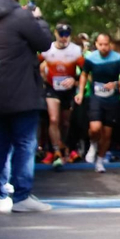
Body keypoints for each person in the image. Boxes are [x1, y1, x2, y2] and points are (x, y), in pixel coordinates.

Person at [0, 0, 54, 213]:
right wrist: (39, 19)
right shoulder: (21, 16)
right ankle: (21, 196)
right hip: (21, 91)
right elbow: (44, 43)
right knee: (24, 142)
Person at [81, 33, 120, 173]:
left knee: (107, 134)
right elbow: (84, 74)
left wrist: (115, 84)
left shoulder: (118, 59)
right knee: (95, 128)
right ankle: (93, 143)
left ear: (110, 44)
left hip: (112, 99)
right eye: (101, 44)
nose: (104, 47)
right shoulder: (90, 58)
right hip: (96, 97)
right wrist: (81, 92)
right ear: (96, 44)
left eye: (106, 44)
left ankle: (100, 161)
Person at [40, 24, 83, 166]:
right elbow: (34, 64)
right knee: (53, 119)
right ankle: (56, 150)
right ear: (55, 34)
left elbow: (85, 70)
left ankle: (64, 146)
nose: (64, 37)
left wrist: (75, 79)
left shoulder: (76, 50)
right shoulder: (47, 49)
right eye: (61, 34)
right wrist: (42, 77)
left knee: (65, 122)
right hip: (52, 89)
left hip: (68, 91)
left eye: (67, 34)